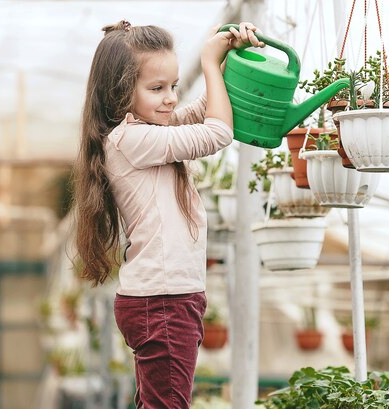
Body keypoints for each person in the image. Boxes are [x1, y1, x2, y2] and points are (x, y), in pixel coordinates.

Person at [73, 20, 264, 408]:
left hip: (168, 298)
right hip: (163, 301)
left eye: (173, 86)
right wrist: (209, 64)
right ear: (120, 91)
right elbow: (217, 133)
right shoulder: (131, 139)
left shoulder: (143, 130)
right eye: (156, 88)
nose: (170, 98)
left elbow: (198, 112)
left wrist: (224, 60)